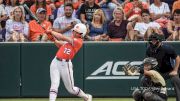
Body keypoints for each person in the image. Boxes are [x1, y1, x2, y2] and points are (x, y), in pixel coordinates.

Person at [48, 23, 92, 101]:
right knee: (54, 84)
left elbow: (62, 37)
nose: (74, 32)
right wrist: (53, 39)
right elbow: (59, 44)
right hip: (55, 62)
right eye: (74, 31)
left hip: (66, 65)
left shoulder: (78, 41)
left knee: (71, 89)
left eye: (77, 32)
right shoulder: (72, 38)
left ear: (81, 34)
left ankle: (86, 97)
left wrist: (51, 32)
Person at [146, 33, 180, 101]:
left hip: (169, 72)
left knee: (176, 80)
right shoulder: (148, 49)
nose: (153, 42)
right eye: (151, 40)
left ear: (159, 41)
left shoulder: (167, 48)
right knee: (144, 79)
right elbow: (148, 62)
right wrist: (147, 71)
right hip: (156, 72)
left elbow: (177, 58)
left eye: (155, 40)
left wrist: (175, 70)